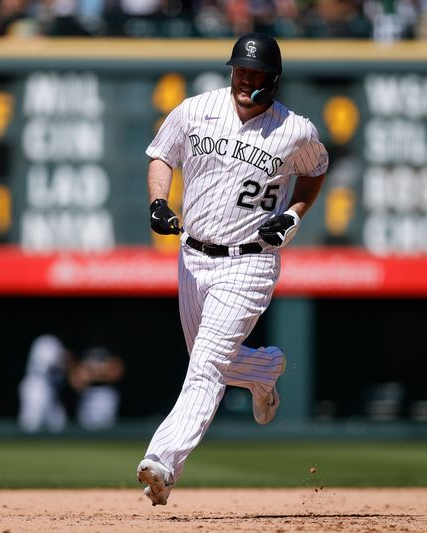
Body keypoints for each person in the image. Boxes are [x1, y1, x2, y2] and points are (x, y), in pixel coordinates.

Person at [136, 32, 328, 506]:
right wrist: (159, 200)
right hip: (192, 257)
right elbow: (162, 154)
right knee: (209, 360)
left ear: (273, 79)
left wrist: (295, 213)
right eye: (240, 70)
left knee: (206, 367)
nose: (245, 79)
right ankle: (264, 369)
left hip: (250, 260)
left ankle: (162, 462)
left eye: (255, 73)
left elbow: (317, 168)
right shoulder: (195, 109)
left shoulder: (295, 130)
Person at [18, 333, 69, 433]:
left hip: (48, 385)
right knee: (32, 420)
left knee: (58, 420)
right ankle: (25, 445)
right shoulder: (49, 341)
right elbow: (55, 364)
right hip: (37, 383)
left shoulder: (49, 341)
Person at [70, 346, 125, 430]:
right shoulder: (83, 351)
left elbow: (117, 372)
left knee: (105, 428)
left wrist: (92, 374)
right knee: (85, 428)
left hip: (106, 393)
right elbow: (76, 380)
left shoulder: (110, 350)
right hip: (87, 393)